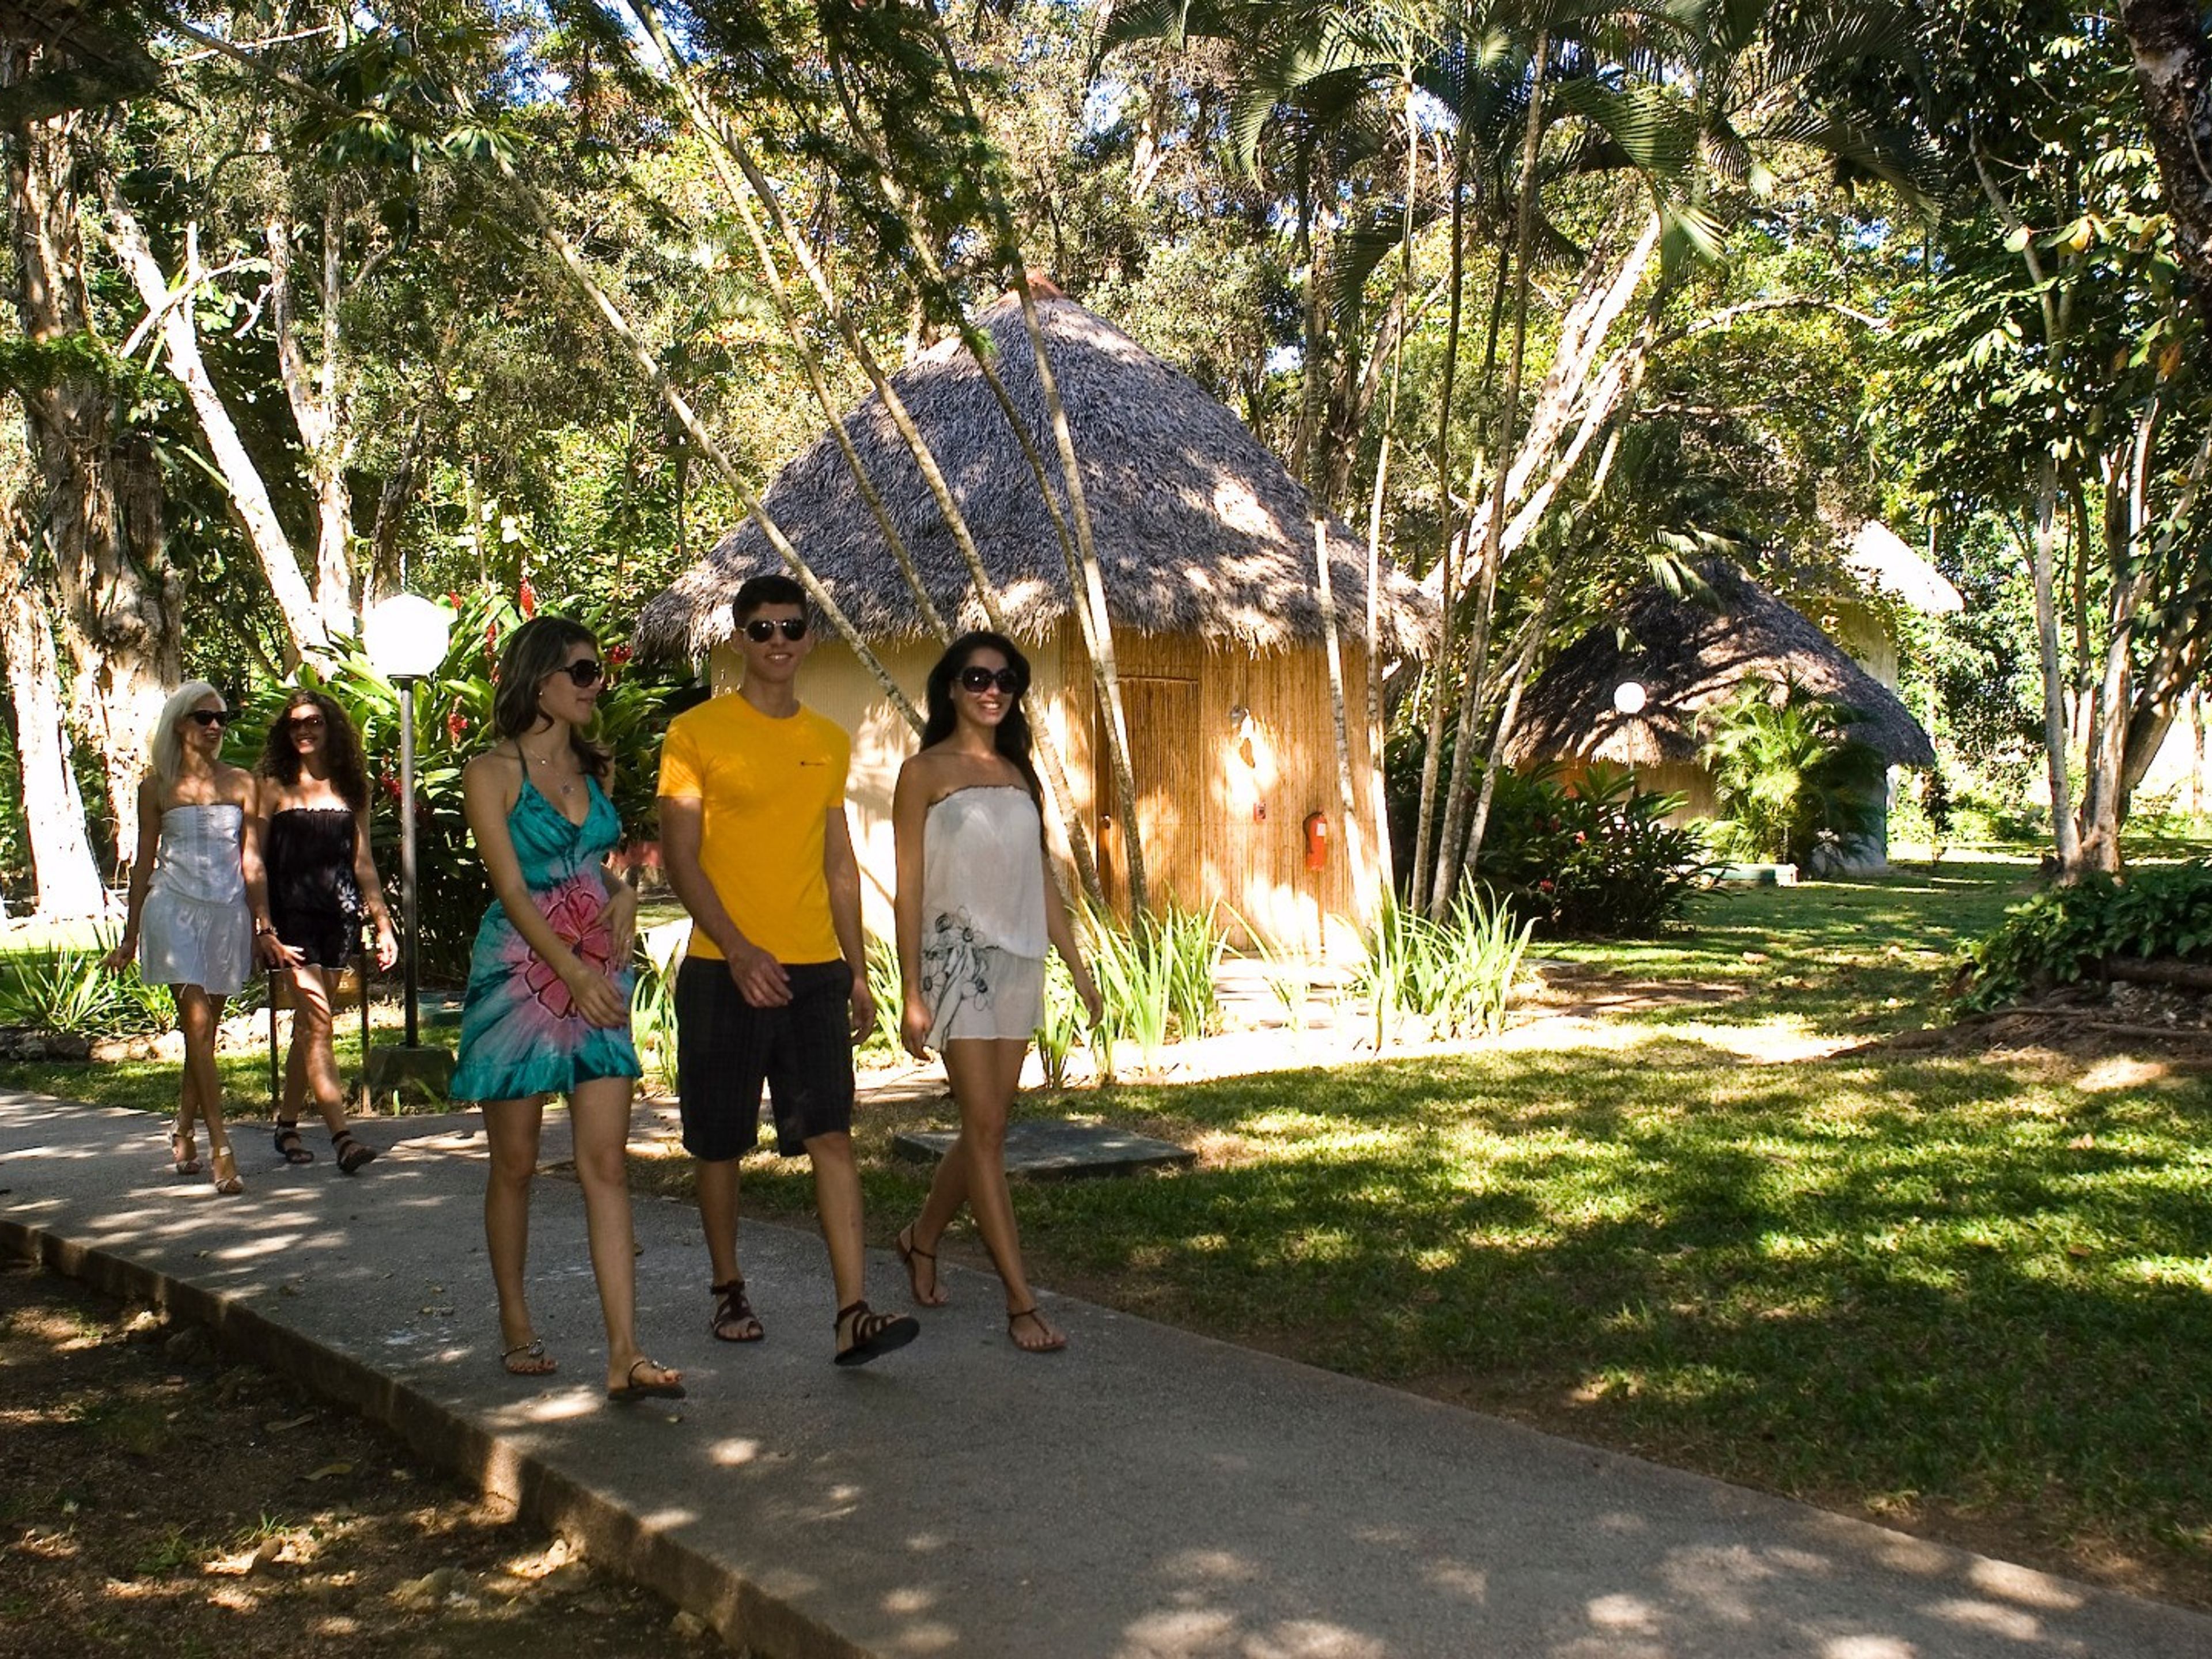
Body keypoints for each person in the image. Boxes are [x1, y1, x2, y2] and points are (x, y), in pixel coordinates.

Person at [658, 573, 919, 1367]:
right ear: (739, 638)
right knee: (720, 1143)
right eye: (763, 629)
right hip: (723, 969)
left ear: (809, 639)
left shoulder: (829, 740)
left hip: (813, 973)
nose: (778, 642)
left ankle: (853, 1313)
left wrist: (858, 969)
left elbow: (839, 862)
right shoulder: (694, 733)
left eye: (792, 629)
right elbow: (679, 858)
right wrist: (739, 950)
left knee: (832, 1134)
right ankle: (728, 1288)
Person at [451, 615, 683, 1402]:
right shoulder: (489, 772)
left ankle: (626, 1354)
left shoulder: (596, 765)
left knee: (607, 1164)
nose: (596, 686)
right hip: (523, 977)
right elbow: (514, 890)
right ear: (540, 680)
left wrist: (627, 894)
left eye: (597, 673)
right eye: (583, 672)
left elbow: (593, 866)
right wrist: (572, 974)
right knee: (516, 1163)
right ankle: (516, 1320)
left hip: (596, 971)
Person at [891, 632, 1102, 1352]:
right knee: (984, 1129)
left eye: (1006, 680)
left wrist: (1077, 965)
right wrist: (911, 988)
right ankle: (1019, 1299)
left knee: (988, 1126)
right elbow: (910, 884)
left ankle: (921, 1238)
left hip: (1019, 962)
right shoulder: (923, 772)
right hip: (954, 962)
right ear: (951, 687)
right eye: (978, 677)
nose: (993, 690)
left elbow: (1038, 875)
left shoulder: (1018, 773)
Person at [105, 682, 286, 1196]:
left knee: (204, 1034)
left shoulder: (243, 783)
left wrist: (264, 926)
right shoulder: (156, 788)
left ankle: (183, 1127)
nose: (214, 727)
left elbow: (253, 862)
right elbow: (143, 865)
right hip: (173, 909)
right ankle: (221, 1147)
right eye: (204, 717)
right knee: (199, 1023)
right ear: (180, 723)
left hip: (227, 913)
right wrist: (130, 936)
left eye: (221, 719)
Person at [258, 689, 399, 1173]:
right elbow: (253, 862)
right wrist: (262, 925)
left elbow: (363, 863)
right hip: (291, 919)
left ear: (330, 726)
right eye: (295, 723)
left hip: (340, 918)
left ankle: (287, 1125)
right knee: (319, 1024)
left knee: (308, 1028)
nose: (304, 730)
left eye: (313, 721)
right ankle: (343, 1138)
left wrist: (383, 924)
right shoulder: (273, 787)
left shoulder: (352, 788)